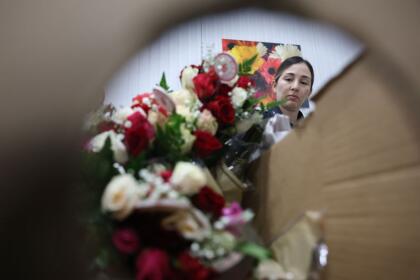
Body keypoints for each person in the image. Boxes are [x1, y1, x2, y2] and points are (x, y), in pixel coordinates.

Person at [264, 56, 314, 127]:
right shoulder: (256, 122)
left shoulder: (311, 132)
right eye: (288, 79)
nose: (295, 87)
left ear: (309, 93)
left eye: (303, 82)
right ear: (275, 85)